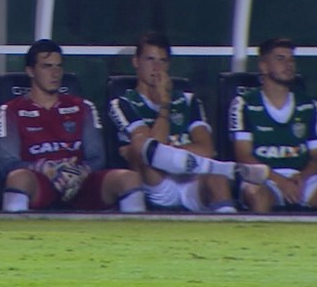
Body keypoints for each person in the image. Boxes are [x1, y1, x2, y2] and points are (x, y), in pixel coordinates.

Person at [109, 32, 269, 213]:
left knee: (217, 179)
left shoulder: (188, 101)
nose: (156, 67)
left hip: (192, 179)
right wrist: (164, 106)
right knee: (140, 145)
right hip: (158, 184)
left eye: (162, 61)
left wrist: (173, 155)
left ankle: (230, 232)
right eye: (150, 59)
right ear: (136, 62)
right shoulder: (123, 103)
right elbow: (150, 152)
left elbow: (206, 149)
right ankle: (227, 169)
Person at [0, 39, 146, 213]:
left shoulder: (83, 106)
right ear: (30, 71)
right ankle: (14, 235)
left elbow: (97, 157)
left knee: (129, 179)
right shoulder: (11, 110)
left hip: (80, 182)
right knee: (17, 178)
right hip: (40, 182)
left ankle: (136, 237)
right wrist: (47, 168)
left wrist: (80, 172)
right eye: (47, 66)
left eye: (59, 66)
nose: (55, 73)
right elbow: (7, 164)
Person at [229, 37, 317, 213]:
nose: (289, 64)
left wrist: (301, 178)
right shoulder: (243, 104)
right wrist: (280, 181)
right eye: (280, 59)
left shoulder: (310, 105)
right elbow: (243, 156)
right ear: (263, 66)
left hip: (301, 177)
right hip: (264, 179)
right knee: (255, 193)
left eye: (291, 59)